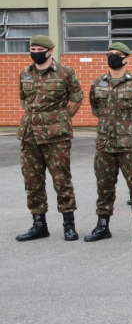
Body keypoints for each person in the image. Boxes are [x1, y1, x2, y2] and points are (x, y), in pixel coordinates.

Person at [85, 42, 132, 243]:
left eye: (117, 54)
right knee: (104, 187)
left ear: (126, 58)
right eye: (109, 54)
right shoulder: (98, 82)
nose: (112, 57)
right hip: (105, 145)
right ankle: (102, 226)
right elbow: (96, 109)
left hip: (131, 146)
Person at [15, 35, 83, 242]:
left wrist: (60, 119)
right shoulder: (25, 73)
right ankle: (39, 225)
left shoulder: (65, 72)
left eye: (38, 48)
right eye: (32, 48)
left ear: (49, 51)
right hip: (29, 135)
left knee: (62, 180)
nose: (34, 51)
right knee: (32, 181)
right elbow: (23, 100)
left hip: (56, 137)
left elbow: (76, 99)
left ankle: (68, 225)